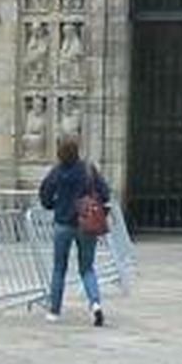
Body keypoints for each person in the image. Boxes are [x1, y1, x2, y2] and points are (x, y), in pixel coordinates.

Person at [38, 134, 111, 327]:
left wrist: (55, 204)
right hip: (86, 223)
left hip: (63, 223)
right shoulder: (88, 169)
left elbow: (44, 194)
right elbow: (105, 193)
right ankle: (95, 304)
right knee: (87, 267)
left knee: (59, 268)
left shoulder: (57, 171)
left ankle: (55, 310)